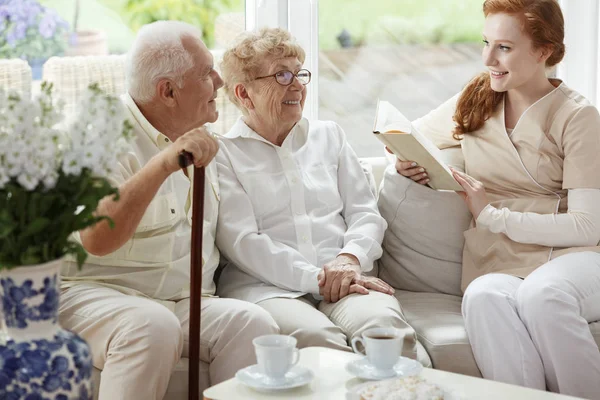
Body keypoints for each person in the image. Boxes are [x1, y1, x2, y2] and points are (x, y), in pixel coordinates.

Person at [388, 0, 600, 397]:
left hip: (575, 255)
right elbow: (404, 135)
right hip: (502, 259)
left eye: (504, 47)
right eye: (486, 43)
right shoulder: (475, 100)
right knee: (482, 297)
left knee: (543, 295)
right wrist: (405, 160)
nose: (488, 58)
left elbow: (589, 225)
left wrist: (491, 215)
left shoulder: (578, 117)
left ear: (544, 51)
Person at [59, 21, 279, 400]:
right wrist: (163, 163)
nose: (219, 82)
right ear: (168, 91)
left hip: (179, 301)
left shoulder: (200, 137)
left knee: (252, 324)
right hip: (87, 293)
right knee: (152, 326)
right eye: (207, 73)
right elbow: (96, 237)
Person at [214, 27, 424, 363]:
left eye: (300, 73)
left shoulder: (330, 136)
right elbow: (243, 242)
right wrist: (320, 278)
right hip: (269, 290)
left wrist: (349, 260)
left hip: (347, 276)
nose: (297, 85)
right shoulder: (223, 153)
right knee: (316, 339)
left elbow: (364, 213)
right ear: (243, 93)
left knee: (385, 330)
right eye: (282, 75)